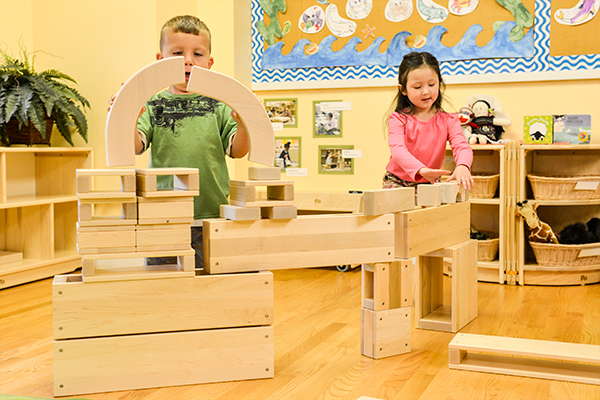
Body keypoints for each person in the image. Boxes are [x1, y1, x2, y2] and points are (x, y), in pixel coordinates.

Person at [121, 15, 249, 268]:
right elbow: (133, 146)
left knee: (210, 280)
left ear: (209, 63)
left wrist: (244, 121)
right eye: (178, 52)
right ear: (160, 60)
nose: (188, 60)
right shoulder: (153, 104)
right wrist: (127, 116)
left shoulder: (219, 105)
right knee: (162, 280)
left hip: (211, 216)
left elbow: (238, 150)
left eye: (197, 54)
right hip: (163, 216)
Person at [383, 51, 473, 192]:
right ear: (403, 89)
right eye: (418, 87)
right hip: (397, 182)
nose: (426, 92)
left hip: (430, 182)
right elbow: (397, 150)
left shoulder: (449, 120)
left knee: (430, 214)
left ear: (439, 83)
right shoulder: (398, 119)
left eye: (431, 84)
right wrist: (421, 170)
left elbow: (461, 146)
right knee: (395, 214)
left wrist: (463, 165)